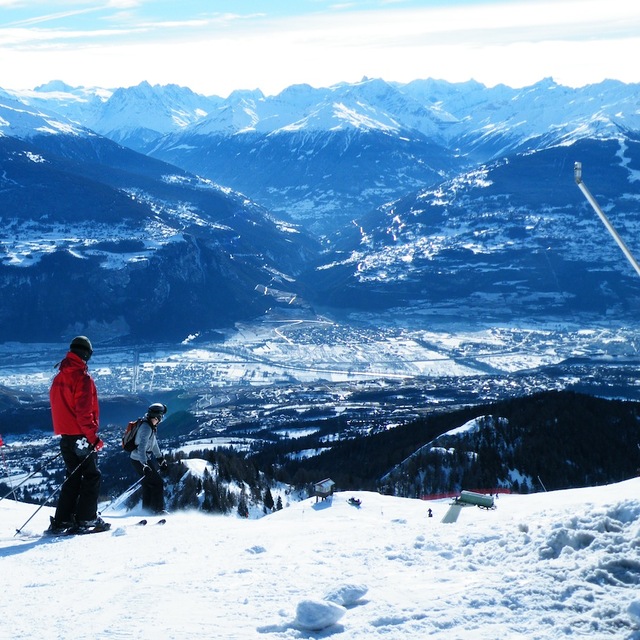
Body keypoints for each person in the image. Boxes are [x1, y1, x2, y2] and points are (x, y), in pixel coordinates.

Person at [47, 336, 108, 534]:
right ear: (86, 354)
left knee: (72, 477)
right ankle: (86, 518)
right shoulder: (82, 378)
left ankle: (63, 519)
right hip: (81, 437)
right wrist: (93, 438)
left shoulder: (59, 377)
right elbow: (84, 414)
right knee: (91, 476)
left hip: (66, 436)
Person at [130, 402, 168, 515]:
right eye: (161, 417)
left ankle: (146, 511)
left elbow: (154, 444)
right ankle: (158, 510)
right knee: (158, 483)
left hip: (138, 459)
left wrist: (160, 459)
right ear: (157, 417)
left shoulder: (150, 426)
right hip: (139, 460)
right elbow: (142, 448)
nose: (161, 419)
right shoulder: (146, 428)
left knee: (148, 484)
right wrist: (144, 464)